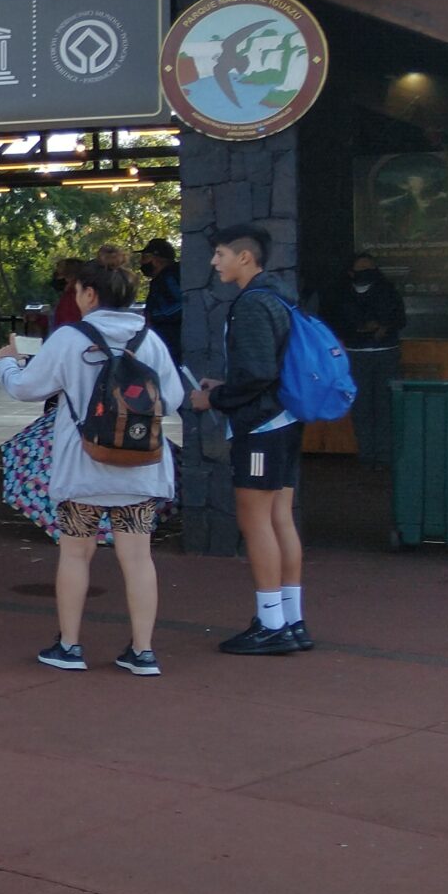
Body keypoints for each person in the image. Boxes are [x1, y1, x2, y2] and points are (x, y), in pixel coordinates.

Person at [0, 260, 179, 674]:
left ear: (90, 294)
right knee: (138, 558)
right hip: (141, 468)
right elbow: (176, 398)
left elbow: (26, 388)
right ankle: (143, 652)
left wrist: (6, 362)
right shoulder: (148, 339)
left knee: (76, 554)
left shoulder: (70, 338)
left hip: (84, 469)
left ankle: (70, 646)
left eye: (77, 290)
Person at [189, 226, 312, 658]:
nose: (214, 261)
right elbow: (267, 370)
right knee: (281, 518)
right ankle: (291, 620)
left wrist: (213, 397)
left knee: (255, 521)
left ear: (245, 258)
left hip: (261, 427)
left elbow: (258, 373)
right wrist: (228, 385)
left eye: (220, 254)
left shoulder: (251, 305)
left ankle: (271, 624)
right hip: (287, 420)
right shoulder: (278, 297)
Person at [338, 251, 408, 466]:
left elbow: (400, 318)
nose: (367, 273)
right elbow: (336, 320)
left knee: (385, 405)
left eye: (370, 268)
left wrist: (383, 328)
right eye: (362, 269)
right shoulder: (342, 293)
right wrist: (360, 329)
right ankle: (367, 455)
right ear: (351, 272)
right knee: (361, 407)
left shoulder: (387, 290)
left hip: (385, 352)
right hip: (356, 355)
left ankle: (385, 457)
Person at [139, 240, 184, 361]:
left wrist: (154, 316)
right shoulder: (161, 279)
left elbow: (182, 305)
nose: (141, 262)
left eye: (145, 257)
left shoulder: (169, 277)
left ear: (158, 259)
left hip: (173, 342)